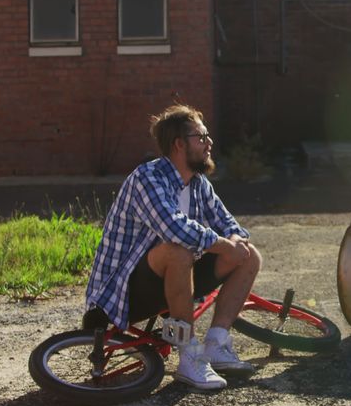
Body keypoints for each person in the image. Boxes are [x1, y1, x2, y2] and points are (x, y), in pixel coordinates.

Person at [86, 104, 262, 390]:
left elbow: (228, 223)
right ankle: (190, 358)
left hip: (171, 279)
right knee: (178, 249)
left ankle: (216, 344)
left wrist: (235, 242)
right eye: (201, 136)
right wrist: (222, 244)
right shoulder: (148, 178)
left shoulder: (198, 183)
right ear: (179, 144)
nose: (209, 143)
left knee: (249, 256)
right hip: (122, 292)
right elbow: (174, 227)